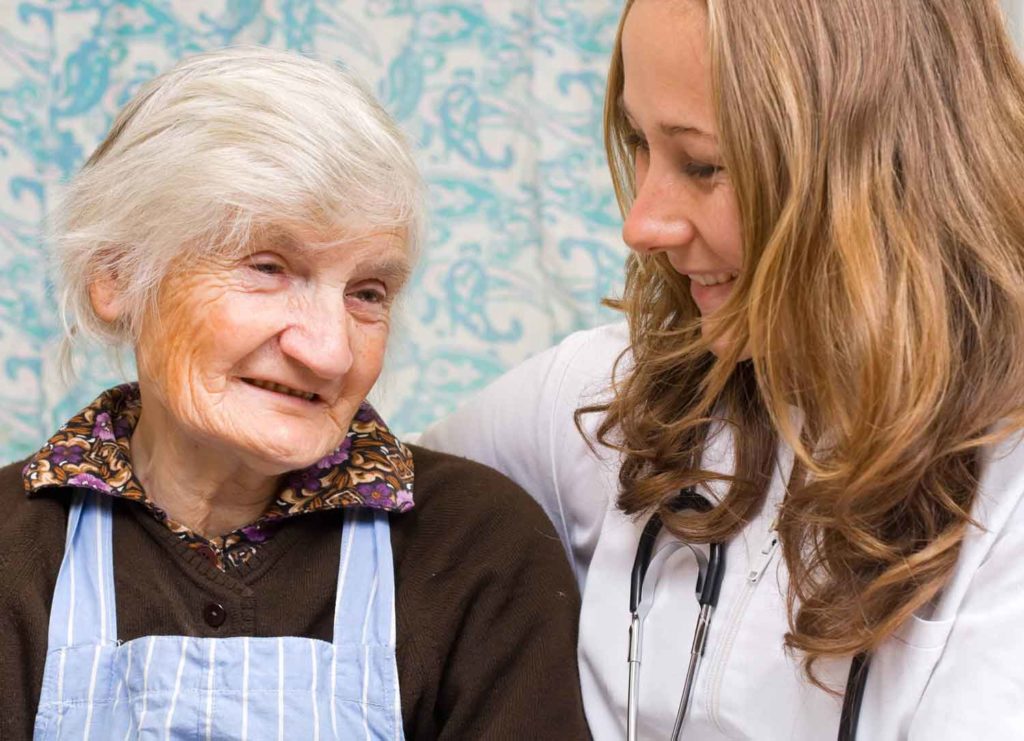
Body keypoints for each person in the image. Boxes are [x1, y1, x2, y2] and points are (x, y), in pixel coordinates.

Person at [420, 0, 1024, 738]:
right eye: (638, 142)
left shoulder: (1008, 488)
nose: (642, 224)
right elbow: (351, 507)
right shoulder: (599, 397)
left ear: (884, 168)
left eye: (703, 164)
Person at [0, 47, 589, 740]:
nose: (331, 350)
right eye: (269, 266)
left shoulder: (480, 549)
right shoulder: (13, 552)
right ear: (118, 276)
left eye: (367, 292)